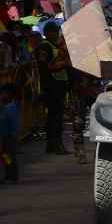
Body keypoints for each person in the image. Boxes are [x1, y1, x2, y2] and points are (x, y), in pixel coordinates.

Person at [35, 22, 70, 154]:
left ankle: (52, 145)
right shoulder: (45, 47)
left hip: (59, 84)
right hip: (51, 85)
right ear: (46, 33)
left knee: (55, 115)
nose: (55, 34)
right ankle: (56, 145)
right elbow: (43, 68)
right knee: (55, 116)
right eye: (52, 32)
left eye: (56, 31)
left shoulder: (56, 46)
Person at [0, 85, 20, 184]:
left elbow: (14, 123)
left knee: (11, 157)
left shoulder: (11, 108)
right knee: (5, 156)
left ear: (9, 95)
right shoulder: (5, 107)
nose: (1, 95)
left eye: (3, 93)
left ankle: (12, 176)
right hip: (4, 136)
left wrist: (13, 135)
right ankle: (8, 175)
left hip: (9, 137)